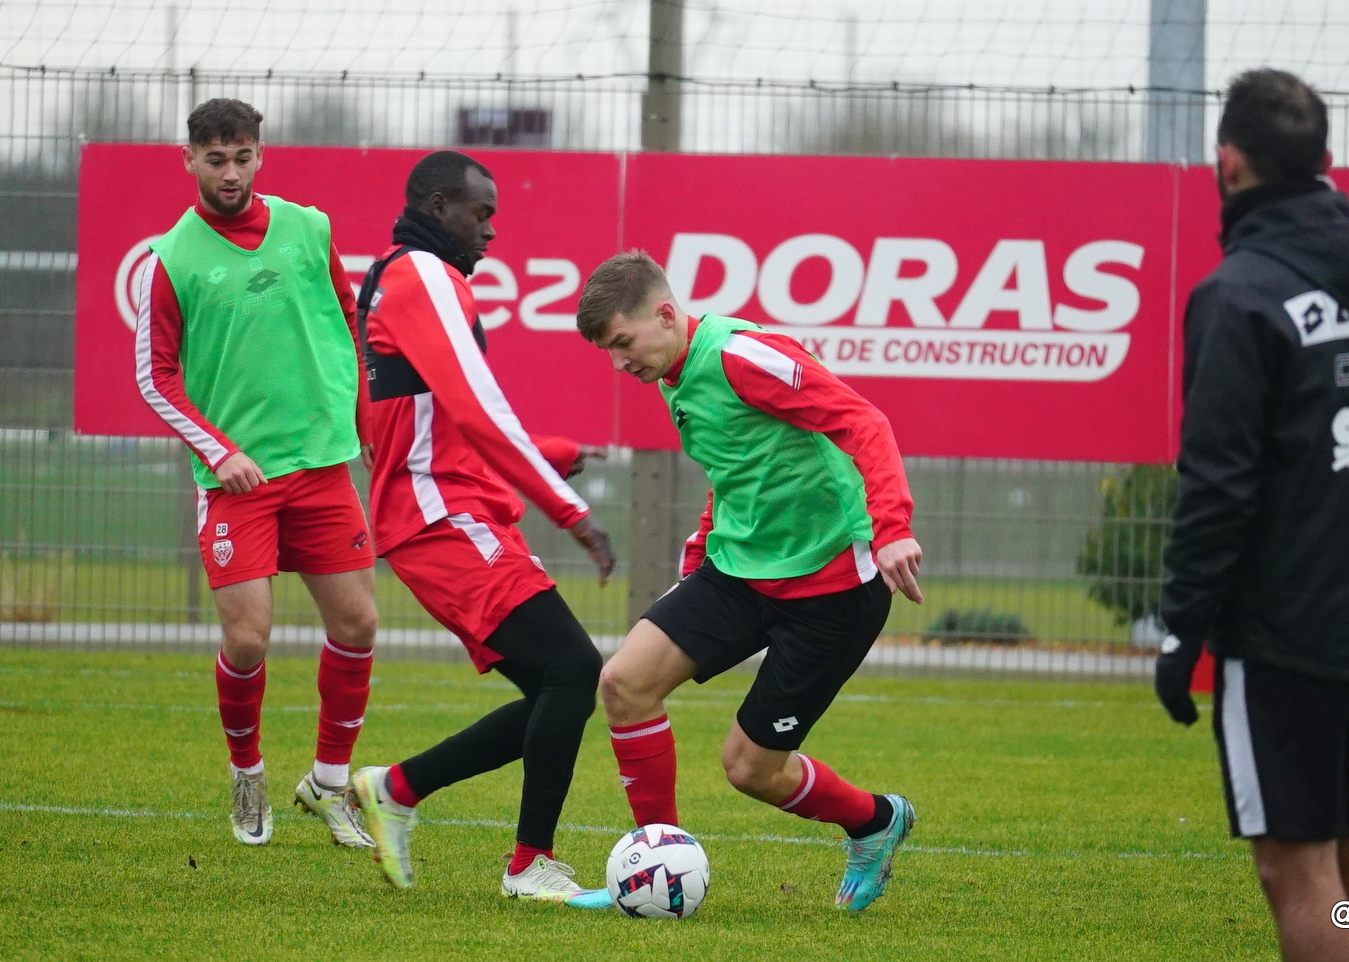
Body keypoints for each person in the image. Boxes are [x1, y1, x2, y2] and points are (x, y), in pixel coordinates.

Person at [1156, 69, 1349, 962]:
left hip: (1287, 628)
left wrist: (1181, 629)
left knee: (1297, 869)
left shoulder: (1237, 295)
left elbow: (1217, 488)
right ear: (1328, 161)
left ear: (1225, 163)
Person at [573, 251, 924, 913]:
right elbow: (739, 461)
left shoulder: (744, 355)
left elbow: (863, 422)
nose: (620, 364)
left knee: (751, 769)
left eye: (624, 343)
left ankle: (876, 821)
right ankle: (656, 871)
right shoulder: (674, 374)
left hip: (833, 589)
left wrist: (892, 524)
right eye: (608, 352)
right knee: (624, 683)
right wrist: (704, 540)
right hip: (739, 573)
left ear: (668, 316)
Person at [345, 150, 616, 908]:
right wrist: (572, 514)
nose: (492, 229)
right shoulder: (424, 278)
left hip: (445, 512)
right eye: (481, 212)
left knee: (555, 687)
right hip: (441, 518)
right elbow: (473, 409)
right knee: (572, 669)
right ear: (438, 207)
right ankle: (530, 866)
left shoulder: (407, 278)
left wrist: (552, 457)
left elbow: (434, 417)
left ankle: (398, 788)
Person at [135, 98, 379, 849]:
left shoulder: (310, 228)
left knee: (360, 623)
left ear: (259, 155)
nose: (231, 172)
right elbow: (154, 378)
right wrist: (220, 451)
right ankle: (248, 773)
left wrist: (367, 431)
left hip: (321, 467)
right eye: (216, 160)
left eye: (243, 157)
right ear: (190, 162)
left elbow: (348, 329)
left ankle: (330, 784)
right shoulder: (170, 259)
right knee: (250, 641)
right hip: (237, 483)